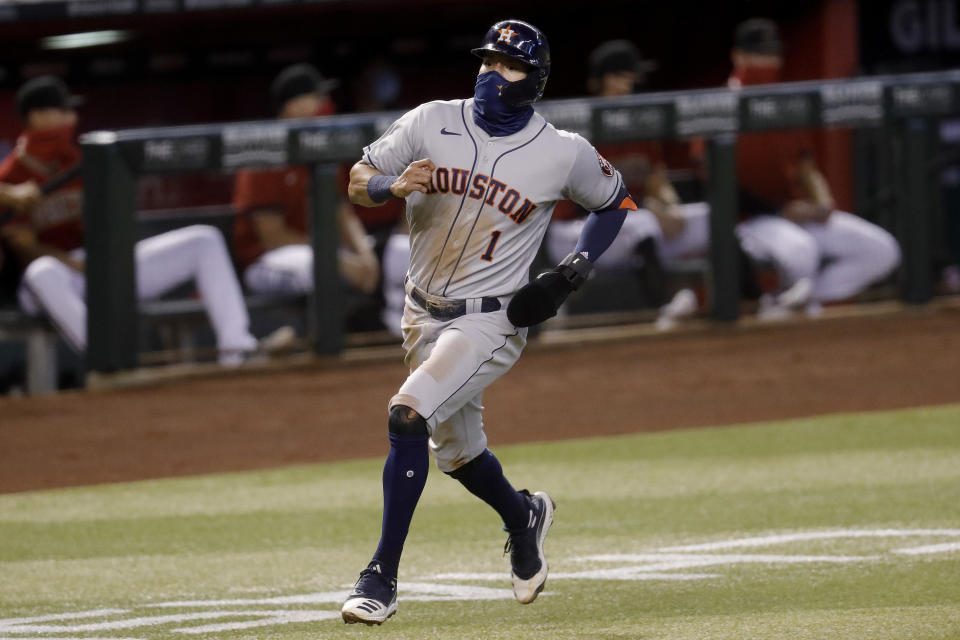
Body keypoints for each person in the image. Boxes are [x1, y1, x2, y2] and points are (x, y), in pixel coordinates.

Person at [340, 19, 635, 625]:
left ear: (535, 81)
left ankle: (381, 578)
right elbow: (357, 180)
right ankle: (523, 515)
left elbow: (616, 202)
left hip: (493, 322)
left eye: (507, 65)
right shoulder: (430, 119)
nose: (489, 73)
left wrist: (575, 267)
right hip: (421, 313)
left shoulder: (562, 152)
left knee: (408, 414)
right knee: (459, 456)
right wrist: (390, 185)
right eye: (486, 60)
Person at [0, 76, 267, 366]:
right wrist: (79, 265)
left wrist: (105, 257)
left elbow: (111, 222)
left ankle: (238, 348)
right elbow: (25, 249)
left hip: (99, 267)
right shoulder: (11, 176)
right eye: (63, 111)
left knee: (204, 240)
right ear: (37, 116)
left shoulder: (83, 160)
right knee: (42, 272)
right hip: (54, 279)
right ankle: (107, 361)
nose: (72, 118)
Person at [729, 18, 901, 314]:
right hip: (752, 221)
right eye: (760, 54)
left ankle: (795, 303)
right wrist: (779, 211)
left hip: (799, 213)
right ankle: (799, 309)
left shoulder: (784, 104)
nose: (769, 62)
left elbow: (806, 166)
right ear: (738, 56)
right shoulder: (721, 106)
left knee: (881, 250)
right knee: (801, 252)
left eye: (773, 54)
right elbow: (719, 185)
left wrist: (823, 201)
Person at [546, 39, 702, 329]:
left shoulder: (641, 121)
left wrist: (670, 207)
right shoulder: (583, 125)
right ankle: (664, 306)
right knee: (642, 223)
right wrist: (650, 208)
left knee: (706, 219)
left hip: (628, 228)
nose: (635, 83)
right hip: (573, 233)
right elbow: (589, 200)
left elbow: (657, 179)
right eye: (628, 76)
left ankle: (754, 304)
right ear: (609, 79)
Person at [232, 63, 380, 301]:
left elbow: (340, 211)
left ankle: (392, 331)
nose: (325, 103)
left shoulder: (319, 147)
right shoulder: (265, 154)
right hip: (265, 261)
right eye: (317, 97)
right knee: (314, 267)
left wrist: (364, 254)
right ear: (293, 106)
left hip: (316, 249)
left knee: (389, 256)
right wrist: (335, 257)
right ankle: (316, 337)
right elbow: (273, 237)